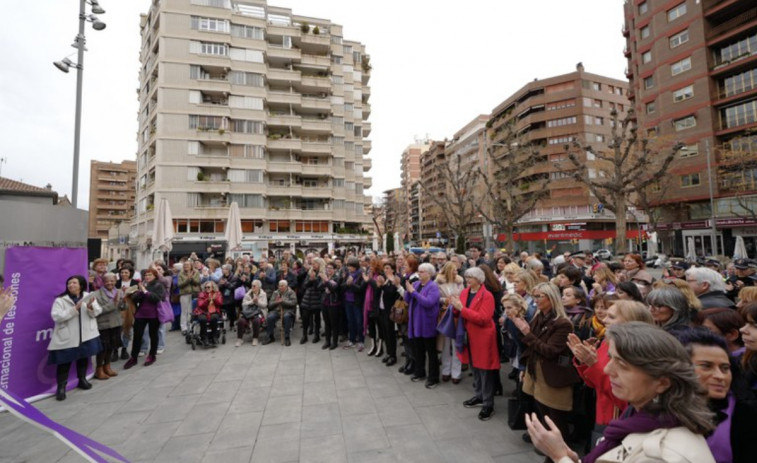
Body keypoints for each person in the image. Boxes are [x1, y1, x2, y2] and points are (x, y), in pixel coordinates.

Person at [527, 322, 716, 463]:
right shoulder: (637, 418)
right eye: (611, 359)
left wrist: (560, 457)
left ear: (662, 382)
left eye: (623, 365)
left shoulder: (662, 454)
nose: (608, 370)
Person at [568, 300, 654, 447]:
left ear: (630, 322)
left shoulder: (637, 353)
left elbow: (623, 397)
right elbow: (593, 383)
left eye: (612, 317)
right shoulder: (608, 342)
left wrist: (592, 365)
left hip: (617, 419)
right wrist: (584, 361)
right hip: (602, 412)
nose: (604, 319)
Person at [512, 282, 580, 441]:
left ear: (551, 298)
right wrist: (524, 367)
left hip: (553, 375)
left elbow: (550, 351)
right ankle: (549, 444)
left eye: (538, 296)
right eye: (534, 296)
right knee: (543, 411)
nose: (534, 300)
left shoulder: (562, 323)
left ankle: (560, 451)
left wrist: (526, 332)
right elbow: (530, 345)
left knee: (556, 418)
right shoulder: (539, 315)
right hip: (537, 371)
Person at [679, 328, 757, 463]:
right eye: (706, 366)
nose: (720, 376)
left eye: (725, 368)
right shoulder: (656, 410)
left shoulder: (746, 414)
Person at [451, 267, 499, 420]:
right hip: (469, 335)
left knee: (485, 370)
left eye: (470, 277)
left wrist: (461, 309)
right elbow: (460, 311)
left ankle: (488, 404)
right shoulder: (465, 292)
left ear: (479, 279)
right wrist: (454, 307)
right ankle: (479, 396)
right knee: (474, 367)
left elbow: (484, 318)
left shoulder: (487, 295)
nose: (467, 280)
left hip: (483, 337)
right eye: (466, 277)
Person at [47, 275, 103, 401]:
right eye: (69, 283)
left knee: (83, 358)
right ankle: (61, 387)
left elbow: (97, 312)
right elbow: (57, 317)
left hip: (86, 335)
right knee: (64, 362)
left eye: (74, 283)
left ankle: (82, 380)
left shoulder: (88, 296)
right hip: (67, 337)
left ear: (81, 285)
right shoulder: (60, 300)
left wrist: (91, 308)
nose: (71, 285)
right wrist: (75, 309)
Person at [405, 262, 441, 389]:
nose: (419, 274)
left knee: (431, 353)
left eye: (422, 272)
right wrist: (407, 290)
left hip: (427, 324)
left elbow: (428, 303)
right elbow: (407, 300)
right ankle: (420, 372)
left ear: (430, 274)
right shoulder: (416, 284)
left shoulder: (433, 287)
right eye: (419, 271)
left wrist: (413, 292)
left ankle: (433, 378)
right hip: (415, 323)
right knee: (418, 350)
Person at [124, 269, 165, 368]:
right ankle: (133, 357)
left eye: (150, 275)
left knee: (153, 335)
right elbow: (136, 299)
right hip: (140, 314)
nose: (147, 277)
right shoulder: (143, 285)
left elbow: (156, 299)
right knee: (137, 335)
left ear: (155, 276)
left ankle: (152, 355)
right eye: (146, 275)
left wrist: (144, 291)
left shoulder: (158, 286)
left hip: (153, 314)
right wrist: (135, 293)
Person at [436, 261, 464, 384]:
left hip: (457, 315)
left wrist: (456, 301)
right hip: (444, 315)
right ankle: (446, 371)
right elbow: (436, 297)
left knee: (456, 343)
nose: (456, 272)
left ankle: (456, 373)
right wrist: (446, 300)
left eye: (457, 271)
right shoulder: (437, 282)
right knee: (445, 344)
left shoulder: (460, 282)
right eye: (454, 270)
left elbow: (464, 296)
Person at [92, 273, 122, 380]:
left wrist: (124, 301)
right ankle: (99, 369)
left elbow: (123, 308)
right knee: (103, 348)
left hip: (116, 323)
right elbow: (98, 311)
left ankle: (107, 366)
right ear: (103, 282)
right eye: (107, 281)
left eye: (112, 281)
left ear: (115, 281)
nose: (110, 283)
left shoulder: (119, 292)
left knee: (112, 346)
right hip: (103, 324)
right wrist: (114, 303)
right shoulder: (96, 294)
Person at [376, 261, 401, 365]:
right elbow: (377, 294)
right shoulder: (384, 279)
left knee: (390, 334)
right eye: (384, 268)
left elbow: (391, 293)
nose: (385, 270)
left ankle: (393, 355)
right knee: (384, 333)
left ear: (393, 269)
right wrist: (379, 286)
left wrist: (383, 286)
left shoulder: (395, 279)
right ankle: (388, 353)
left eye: (387, 268)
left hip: (390, 311)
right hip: (381, 309)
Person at [341, 258, 366, 351]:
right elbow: (342, 286)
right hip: (347, 301)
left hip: (357, 302)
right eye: (347, 266)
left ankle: (361, 340)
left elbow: (360, 289)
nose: (348, 268)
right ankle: (351, 339)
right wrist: (347, 283)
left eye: (350, 266)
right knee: (350, 321)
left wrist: (351, 284)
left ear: (355, 266)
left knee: (359, 322)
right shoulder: (347, 274)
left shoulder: (361, 274)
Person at [263, 280, 298, 346]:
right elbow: (270, 304)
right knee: (270, 317)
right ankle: (270, 336)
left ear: (286, 286)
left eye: (282, 286)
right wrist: (276, 302)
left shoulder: (291, 292)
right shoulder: (275, 293)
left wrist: (283, 302)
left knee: (287, 317)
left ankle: (287, 337)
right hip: (277, 310)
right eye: (279, 286)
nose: (280, 287)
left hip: (287, 310)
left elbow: (294, 303)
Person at [237, 280, 267, 346]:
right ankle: (240, 339)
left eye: (254, 286)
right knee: (240, 321)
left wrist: (257, 302)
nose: (252, 287)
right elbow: (243, 304)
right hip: (248, 312)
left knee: (256, 321)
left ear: (259, 287)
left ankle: (255, 338)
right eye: (252, 286)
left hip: (258, 312)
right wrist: (252, 301)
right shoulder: (248, 294)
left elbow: (264, 305)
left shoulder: (263, 294)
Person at [321, 262, 342, 350]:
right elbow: (319, 287)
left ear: (334, 269)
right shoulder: (326, 277)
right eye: (327, 268)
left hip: (333, 303)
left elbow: (334, 289)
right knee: (327, 323)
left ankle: (334, 342)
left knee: (334, 323)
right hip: (325, 302)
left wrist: (326, 281)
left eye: (330, 268)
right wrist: (324, 282)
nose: (328, 270)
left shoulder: (337, 278)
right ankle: (327, 341)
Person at [194, 280, 222, 347]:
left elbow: (220, 303)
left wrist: (214, 299)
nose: (207, 289)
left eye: (208, 287)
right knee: (202, 319)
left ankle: (214, 336)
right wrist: (207, 300)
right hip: (203, 311)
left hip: (213, 311)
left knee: (214, 318)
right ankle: (204, 337)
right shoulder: (201, 294)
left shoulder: (217, 293)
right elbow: (200, 305)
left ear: (212, 287)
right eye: (206, 287)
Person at [177, 260, 201, 335]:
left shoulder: (196, 272)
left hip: (194, 293)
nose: (186, 266)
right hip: (184, 294)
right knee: (184, 311)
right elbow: (180, 285)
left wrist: (191, 278)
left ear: (191, 266)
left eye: (187, 265)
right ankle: (184, 327)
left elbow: (197, 282)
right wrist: (188, 279)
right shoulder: (181, 273)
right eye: (184, 265)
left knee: (191, 311)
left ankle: (191, 327)